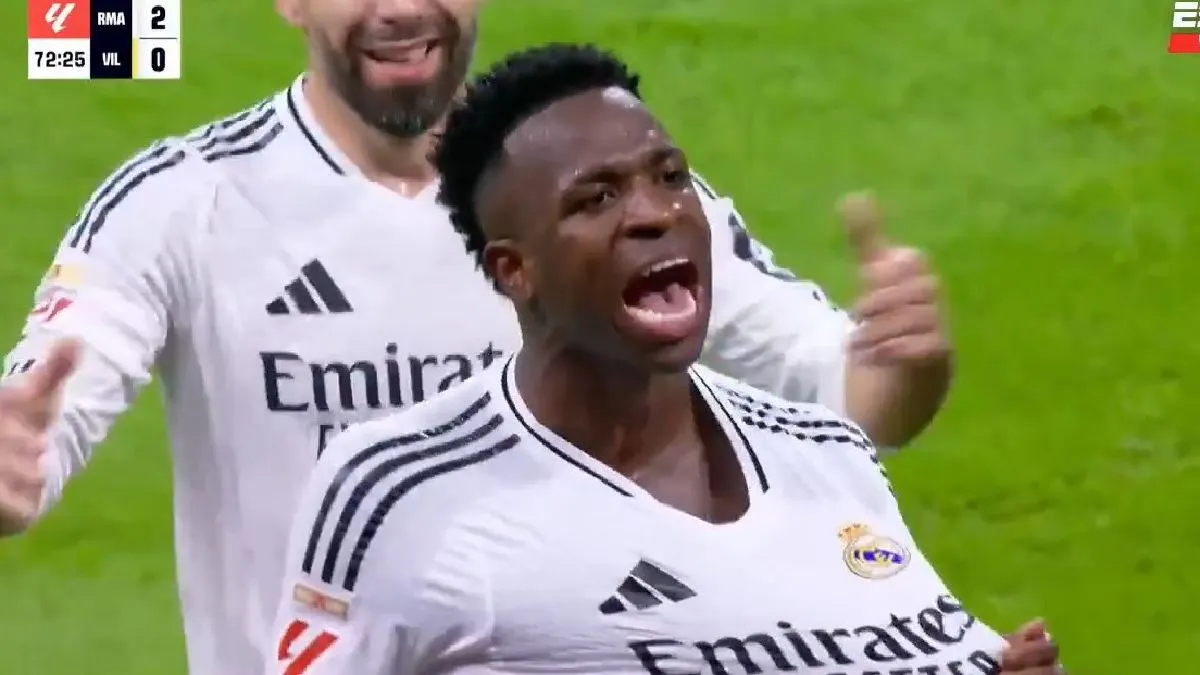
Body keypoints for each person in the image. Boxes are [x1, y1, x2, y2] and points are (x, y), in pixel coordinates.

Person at [0, 0, 950, 673]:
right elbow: (39, 422)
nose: (404, 10)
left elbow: (850, 400)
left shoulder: (607, 201)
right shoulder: (181, 205)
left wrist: (898, 367)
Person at [267, 43, 1061, 675]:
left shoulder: (825, 455)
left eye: (670, 177)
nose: (655, 214)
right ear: (516, 270)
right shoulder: (400, 490)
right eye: (596, 198)